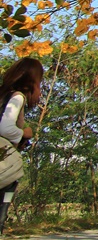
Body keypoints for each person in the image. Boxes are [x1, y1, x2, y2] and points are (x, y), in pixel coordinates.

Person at [0, 58, 43, 233]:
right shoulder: (17, 97)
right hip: (5, 170)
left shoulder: (2, 94)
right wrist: (24, 133)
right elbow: (4, 127)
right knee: (3, 206)